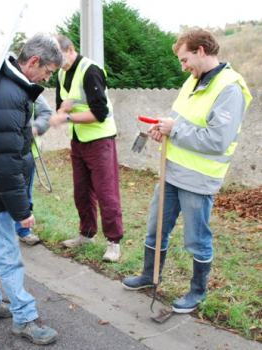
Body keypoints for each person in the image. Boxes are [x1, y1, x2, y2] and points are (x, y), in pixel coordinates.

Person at [122, 29, 252, 314]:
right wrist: (163, 129)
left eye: (185, 59)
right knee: (156, 229)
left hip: (198, 179)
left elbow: (218, 140)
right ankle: (149, 276)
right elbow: (179, 122)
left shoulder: (230, 88)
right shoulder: (192, 81)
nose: (182, 67)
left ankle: (197, 291)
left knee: (196, 238)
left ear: (201, 51)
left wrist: (176, 130)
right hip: (171, 172)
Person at [0, 33, 63, 345]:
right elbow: (4, 162)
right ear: (33, 62)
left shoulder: (4, 84)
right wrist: (22, 211)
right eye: (48, 71)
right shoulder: (8, 94)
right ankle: (25, 318)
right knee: (7, 254)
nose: (48, 78)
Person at [49, 35, 123, 262]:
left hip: (100, 141)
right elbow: (59, 107)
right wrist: (62, 111)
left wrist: (67, 117)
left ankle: (113, 243)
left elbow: (99, 113)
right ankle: (87, 233)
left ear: (70, 49)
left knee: (106, 192)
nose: (55, 64)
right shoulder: (62, 73)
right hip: (78, 141)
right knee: (81, 192)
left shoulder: (91, 70)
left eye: (58, 57)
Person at [15, 94, 52, 245]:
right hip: (1, 153)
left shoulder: (30, 88)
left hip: (27, 154)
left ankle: (23, 231)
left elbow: (46, 113)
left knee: (24, 194)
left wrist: (36, 128)